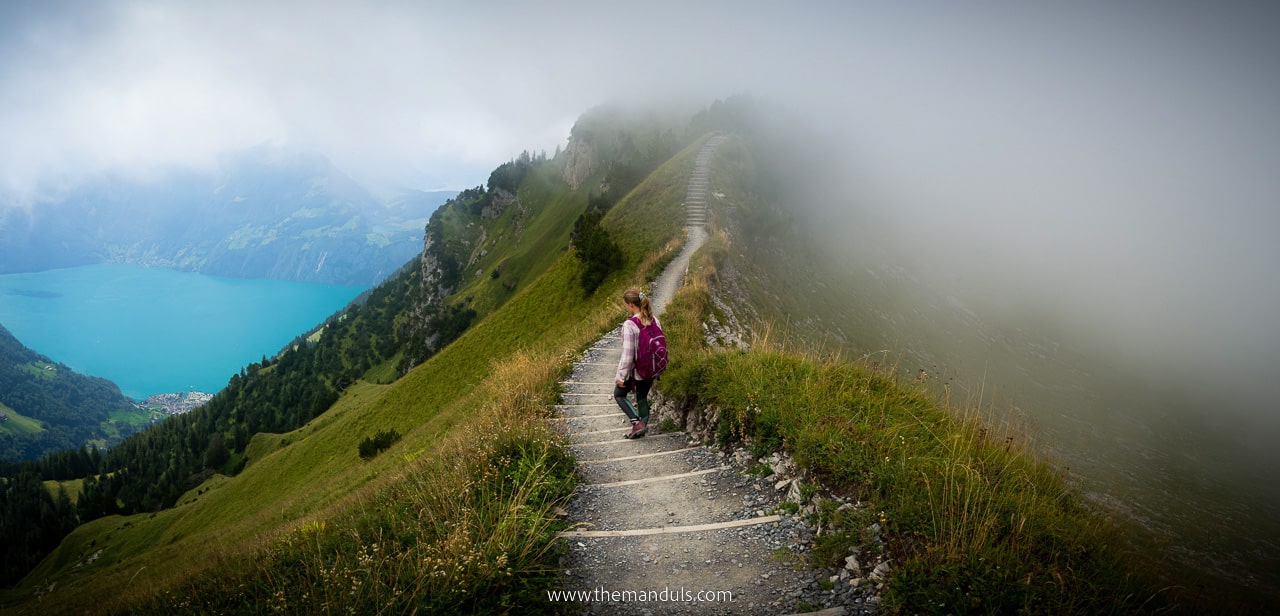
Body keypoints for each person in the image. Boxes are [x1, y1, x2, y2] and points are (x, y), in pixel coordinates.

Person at [615, 288, 657, 438]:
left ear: (631, 305)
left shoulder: (630, 324)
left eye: (626, 305)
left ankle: (637, 422)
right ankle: (641, 428)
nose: (626, 307)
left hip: (638, 369)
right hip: (653, 368)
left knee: (619, 394)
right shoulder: (654, 319)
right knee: (642, 397)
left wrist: (621, 376)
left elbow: (628, 355)